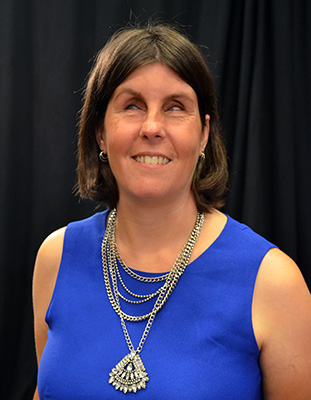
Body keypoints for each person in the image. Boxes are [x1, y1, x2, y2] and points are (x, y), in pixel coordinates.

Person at [32, 23, 311, 399]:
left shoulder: (274, 281)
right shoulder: (56, 257)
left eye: (175, 107)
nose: (152, 127)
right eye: (132, 106)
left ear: (204, 135)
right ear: (100, 131)